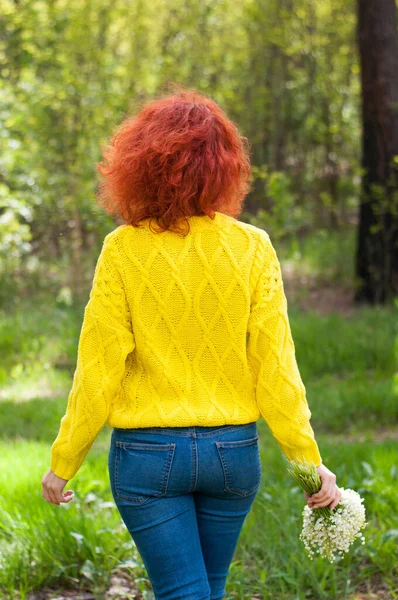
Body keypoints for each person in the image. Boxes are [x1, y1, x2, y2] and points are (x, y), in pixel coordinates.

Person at [42, 85, 341, 600]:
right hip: (233, 453)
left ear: (137, 165)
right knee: (206, 590)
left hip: (147, 456)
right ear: (225, 168)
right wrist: (309, 462)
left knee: (183, 591)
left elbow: (97, 370)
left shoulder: (123, 250)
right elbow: (276, 368)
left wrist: (64, 461)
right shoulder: (253, 247)